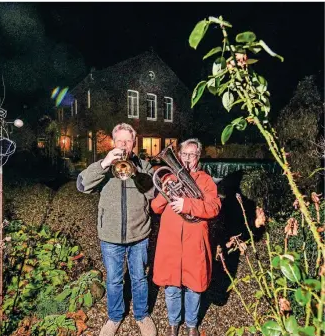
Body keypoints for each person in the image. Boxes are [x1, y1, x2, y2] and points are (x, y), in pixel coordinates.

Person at [77, 123, 157, 336]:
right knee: (113, 280)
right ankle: (114, 317)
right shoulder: (104, 166)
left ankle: (142, 315)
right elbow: (82, 186)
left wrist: (136, 171)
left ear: (134, 143)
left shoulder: (144, 166)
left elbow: (152, 195)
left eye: (127, 141)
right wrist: (104, 163)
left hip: (139, 234)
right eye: (119, 140)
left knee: (139, 278)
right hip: (110, 236)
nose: (123, 145)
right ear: (113, 142)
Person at [151, 138, 221, 336]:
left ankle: (191, 324)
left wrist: (187, 205)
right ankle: (173, 323)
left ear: (198, 157)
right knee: (171, 286)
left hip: (195, 241)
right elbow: (156, 207)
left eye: (192, 154)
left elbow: (214, 207)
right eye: (184, 154)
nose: (188, 158)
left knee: (194, 286)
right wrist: (165, 191)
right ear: (179, 156)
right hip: (170, 241)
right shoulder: (169, 179)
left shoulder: (206, 181)